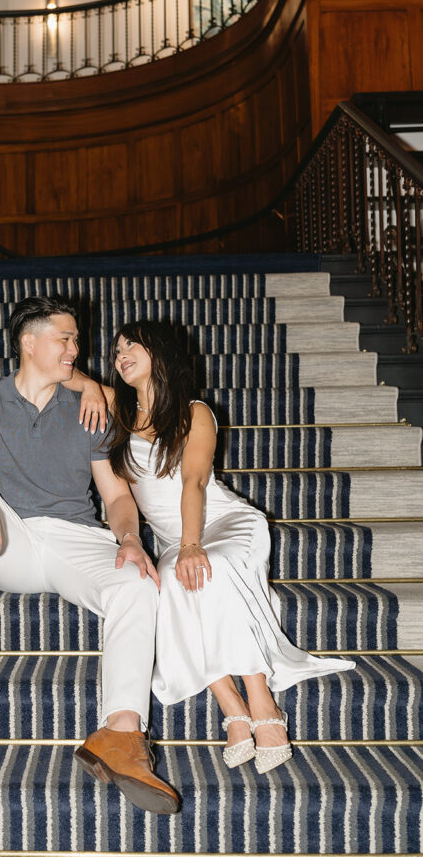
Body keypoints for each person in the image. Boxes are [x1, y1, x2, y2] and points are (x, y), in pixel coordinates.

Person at [0, 297, 179, 813]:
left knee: (137, 584)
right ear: (28, 342)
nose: (76, 349)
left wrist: (130, 539)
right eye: (65, 339)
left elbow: (114, 496)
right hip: (8, 538)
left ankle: (121, 734)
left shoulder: (91, 406)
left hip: (77, 538)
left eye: (75, 340)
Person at [98, 319, 355, 773]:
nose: (121, 354)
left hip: (224, 523)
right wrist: (182, 546)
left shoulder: (193, 412)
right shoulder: (116, 416)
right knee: (175, 585)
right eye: (117, 349)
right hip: (176, 538)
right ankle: (231, 704)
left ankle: (260, 700)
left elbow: (194, 480)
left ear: (161, 354)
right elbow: (70, 376)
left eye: (132, 344)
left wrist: (194, 543)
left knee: (207, 567)